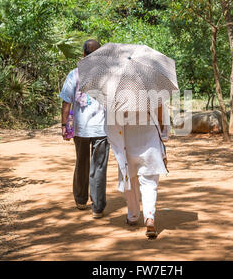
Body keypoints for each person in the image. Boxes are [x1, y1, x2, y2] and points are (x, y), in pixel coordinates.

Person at [59, 40, 109, 219]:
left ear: (83, 54)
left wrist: (64, 125)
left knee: (82, 163)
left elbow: (66, 101)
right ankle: (98, 207)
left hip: (80, 128)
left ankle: (81, 200)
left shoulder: (74, 74)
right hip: (101, 128)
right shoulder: (108, 75)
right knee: (99, 167)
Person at [105, 104, 170, 238]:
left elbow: (111, 119)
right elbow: (160, 115)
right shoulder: (153, 88)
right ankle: (149, 217)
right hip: (149, 136)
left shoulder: (118, 91)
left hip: (128, 137)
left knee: (130, 178)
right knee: (150, 181)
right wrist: (162, 132)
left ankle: (133, 215)